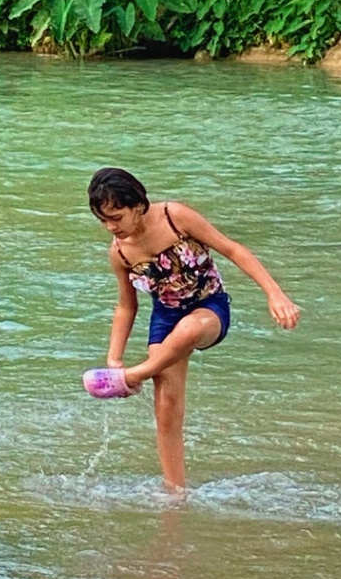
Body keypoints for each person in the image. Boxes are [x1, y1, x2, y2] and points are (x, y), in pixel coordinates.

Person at [82, 167, 300, 491]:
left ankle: (136, 375)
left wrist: (275, 293)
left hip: (209, 308)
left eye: (116, 217)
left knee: (187, 329)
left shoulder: (175, 217)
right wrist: (113, 358)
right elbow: (127, 306)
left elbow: (232, 249)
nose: (111, 227)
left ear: (138, 205)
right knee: (167, 408)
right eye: (103, 220)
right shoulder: (120, 252)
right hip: (164, 317)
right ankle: (175, 492)